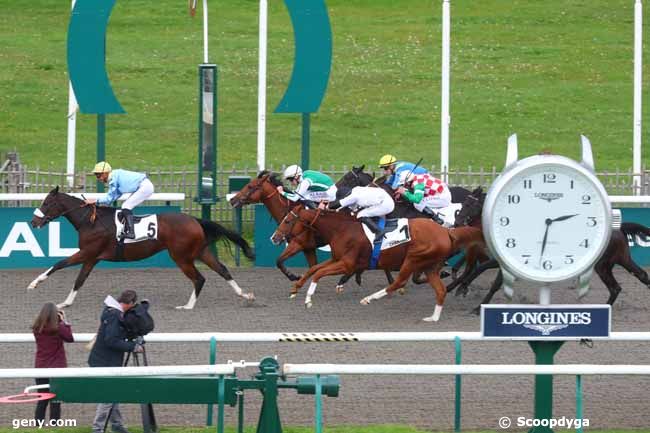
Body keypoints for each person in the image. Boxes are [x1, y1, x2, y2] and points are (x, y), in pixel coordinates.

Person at [89, 290, 144, 433]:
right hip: (106, 361)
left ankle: (117, 425)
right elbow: (111, 340)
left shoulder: (110, 311)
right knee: (108, 396)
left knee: (112, 394)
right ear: (130, 303)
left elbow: (112, 336)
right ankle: (98, 428)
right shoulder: (114, 315)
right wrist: (133, 346)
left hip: (101, 359)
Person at [84, 162, 155, 240]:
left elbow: (109, 198)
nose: (98, 178)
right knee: (125, 206)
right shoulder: (115, 176)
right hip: (143, 186)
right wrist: (100, 202)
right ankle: (128, 229)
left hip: (145, 187)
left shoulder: (113, 179)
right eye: (96, 176)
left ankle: (131, 233)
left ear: (105, 173)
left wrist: (95, 201)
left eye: (98, 175)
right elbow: (113, 197)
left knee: (126, 206)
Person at [32, 302, 74, 423]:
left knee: (42, 398)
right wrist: (64, 321)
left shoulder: (37, 327)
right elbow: (70, 338)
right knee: (55, 399)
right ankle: (54, 425)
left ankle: (37, 425)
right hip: (57, 367)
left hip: (40, 366)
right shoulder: (58, 327)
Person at [328, 185, 395, 236]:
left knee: (360, 215)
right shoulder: (356, 189)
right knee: (363, 212)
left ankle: (379, 232)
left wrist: (326, 206)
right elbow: (351, 208)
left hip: (386, 205)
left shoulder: (352, 197)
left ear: (345, 196)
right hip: (386, 197)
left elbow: (338, 205)